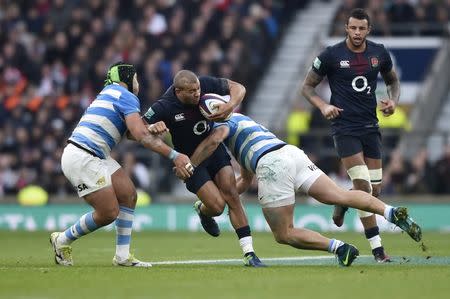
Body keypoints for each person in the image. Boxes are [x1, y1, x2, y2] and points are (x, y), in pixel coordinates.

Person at [177, 112, 422, 267]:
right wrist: (218, 201)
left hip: (272, 163)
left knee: (284, 234)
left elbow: (215, 138)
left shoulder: (222, 124)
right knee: (342, 195)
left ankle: (340, 248)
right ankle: (391, 212)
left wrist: (191, 163)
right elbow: (244, 182)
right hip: (292, 153)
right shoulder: (246, 123)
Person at [50, 62, 193, 267]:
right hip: (84, 156)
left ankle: (122, 257)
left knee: (128, 195)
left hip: (94, 153)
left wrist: (150, 127)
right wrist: (174, 155)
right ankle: (62, 239)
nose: (137, 83)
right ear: (127, 79)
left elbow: (131, 132)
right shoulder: (126, 96)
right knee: (108, 213)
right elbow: (140, 135)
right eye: (135, 78)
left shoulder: (111, 93)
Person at [301, 8, 401, 262]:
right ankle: (378, 251)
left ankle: (343, 201)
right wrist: (323, 106)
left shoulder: (378, 53)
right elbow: (307, 87)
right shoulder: (331, 55)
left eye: (362, 28)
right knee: (364, 188)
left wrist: (393, 101)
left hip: (370, 128)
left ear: (369, 30)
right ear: (346, 28)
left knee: (375, 192)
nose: (357, 33)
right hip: (344, 129)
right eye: (353, 28)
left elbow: (393, 81)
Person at [143, 70, 264, 267]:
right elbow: (134, 131)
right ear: (178, 91)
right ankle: (202, 210)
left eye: (198, 89)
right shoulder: (164, 106)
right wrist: (151, 128)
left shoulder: (205, 84)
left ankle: (249, 253)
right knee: (216, 207)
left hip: (214, 149)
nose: (197, 94)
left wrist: (229, 106)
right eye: (191, 91)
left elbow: (239, 88)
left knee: (232, 193)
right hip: (190, 161)